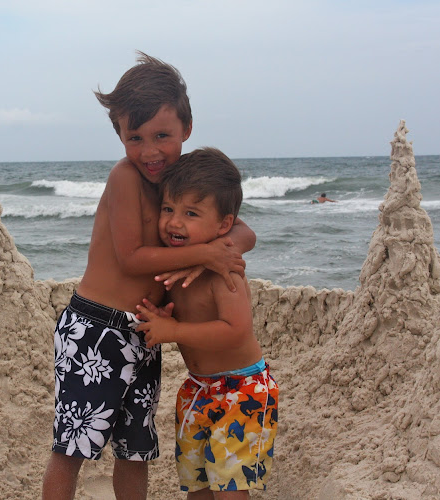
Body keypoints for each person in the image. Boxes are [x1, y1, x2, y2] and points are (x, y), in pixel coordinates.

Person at [41, 53, 256, 500]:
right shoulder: (125, 177)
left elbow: (243, 232)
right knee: (71, 448)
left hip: (143, 334)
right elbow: (130, 258)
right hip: (95, 329)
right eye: (134, 138)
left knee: (134, 451)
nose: (149, 151)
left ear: (187, 129)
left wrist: (211, 255)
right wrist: (205, 253)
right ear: (119, 135)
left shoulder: (182, 185)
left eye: (162, 135)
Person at [136, 148, 278, 498]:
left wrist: (174, 331)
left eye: (191, 213)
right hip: (197, 389)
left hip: (242, 390)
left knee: (231, 487)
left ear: (224, 225)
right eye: (168, 209)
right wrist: (167, 319)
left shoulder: (223, 271)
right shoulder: (175, 264)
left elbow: (236, 331)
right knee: (196, 484)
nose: (174, 222)